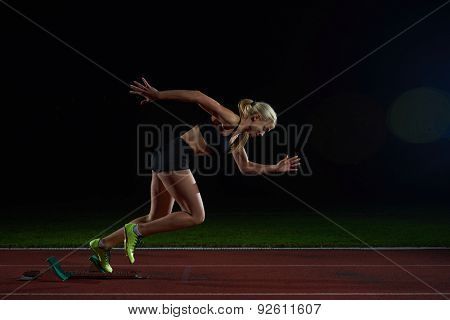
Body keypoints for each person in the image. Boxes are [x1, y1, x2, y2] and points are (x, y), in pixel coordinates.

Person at [89, 77, 300, 272]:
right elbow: (197, 96)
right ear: (255, 117)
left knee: (157, 217)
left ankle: (102, 244)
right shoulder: (231, 118)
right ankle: (136, 232)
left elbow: (245, 167)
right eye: (265, 128)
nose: (263, 134)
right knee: (197, 215)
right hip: (174, 157)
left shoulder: (238, 139)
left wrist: (275, 168)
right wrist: (158, 95)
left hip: (167, 157)